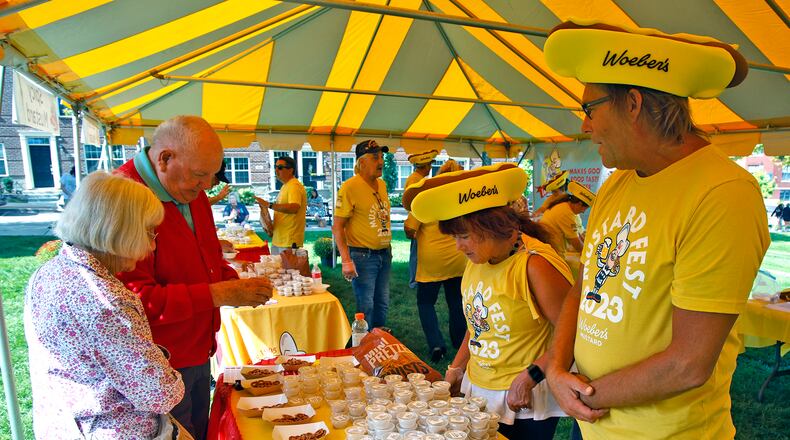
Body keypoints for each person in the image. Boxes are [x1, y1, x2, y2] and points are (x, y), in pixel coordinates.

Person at [542, 21, 770, 439]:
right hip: (592, 416)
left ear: (632, 103)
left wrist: (580, 394)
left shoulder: (722, 193)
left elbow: (688, 363)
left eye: (590, 110)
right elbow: (584, 284)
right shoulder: (618, 183)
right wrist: (557, 370)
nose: (585, 126)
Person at [115, 115, 272, 440]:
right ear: (165, 158)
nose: (206, 187)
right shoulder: (123, 198)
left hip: (198, 350)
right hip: (158, 366)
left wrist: (233, 283)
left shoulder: (191, 191)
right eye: (200, 175)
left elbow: (207, 256)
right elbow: (134, 302)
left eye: (210, 177)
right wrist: (219, 294)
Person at [403, 163, 573, 439]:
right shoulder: (480, 258)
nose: (458, 246)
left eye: (463, 236)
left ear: (492, 227)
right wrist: (457, 369)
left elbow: (572, 332)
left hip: (523, 398)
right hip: (480, 387)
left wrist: (531, 375)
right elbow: (478, 322)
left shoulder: (535, 265)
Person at [25, 172, 186, 439]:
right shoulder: (105, 301)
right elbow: (160, 394)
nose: (152, 244)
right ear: (120, 230)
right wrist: (166, 368)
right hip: (112, 430)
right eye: (148, 231)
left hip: (61, 422)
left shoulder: (50, 272)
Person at [403, 159, 467, 362]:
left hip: (432, 261)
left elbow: (410, 229)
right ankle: (459, 342)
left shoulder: (426, 198)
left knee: (426, 303)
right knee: (456, 302)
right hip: (458, 258)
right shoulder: (462, 198)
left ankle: (436, 344)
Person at [332, 139, 392, 328]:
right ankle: (363, 347)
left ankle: (380, 344)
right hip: (363, 256)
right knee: (366, 306)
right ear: (361, 162)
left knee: (382, 303)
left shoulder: (382, 185)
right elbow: (337, 226)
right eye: (375, 157)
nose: (381, 161)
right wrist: (346, 260)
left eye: (382, 157)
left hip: (384, 253)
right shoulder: (350, 187)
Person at [539, 181, 595, 278]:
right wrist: (590, 256)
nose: (583, 212)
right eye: (584, 209)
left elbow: (579, 235)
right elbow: (576, 243)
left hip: (554, 251)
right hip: (554, 254)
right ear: (579, 204)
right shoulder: (566, 212)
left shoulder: (566, 207)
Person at [255, 155, 306, 253]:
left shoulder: (294, 186)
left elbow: (294, 208)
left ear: (291, 170)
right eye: (275, 167)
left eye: (280, 168)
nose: (276, 170)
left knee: (287, 268)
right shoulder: (286, 186)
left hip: (289, 241)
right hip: (280, 239)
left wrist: (269, 205)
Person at [405, 150, 439, 289]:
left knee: (417, 252)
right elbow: (413, 205)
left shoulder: (417, 179)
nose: (430, 168)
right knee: (416, 253)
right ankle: (414, 281)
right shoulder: (416, 181)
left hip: (420, 222)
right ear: (424, 166)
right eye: (429, 165)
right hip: (417, 222)